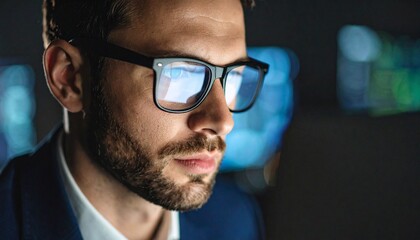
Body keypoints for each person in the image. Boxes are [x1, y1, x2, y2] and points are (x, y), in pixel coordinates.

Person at [0, 0, 269, 239]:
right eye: (180, 75)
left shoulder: (234, 219)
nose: (223, 121)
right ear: (70, 78)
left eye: (234, 75)